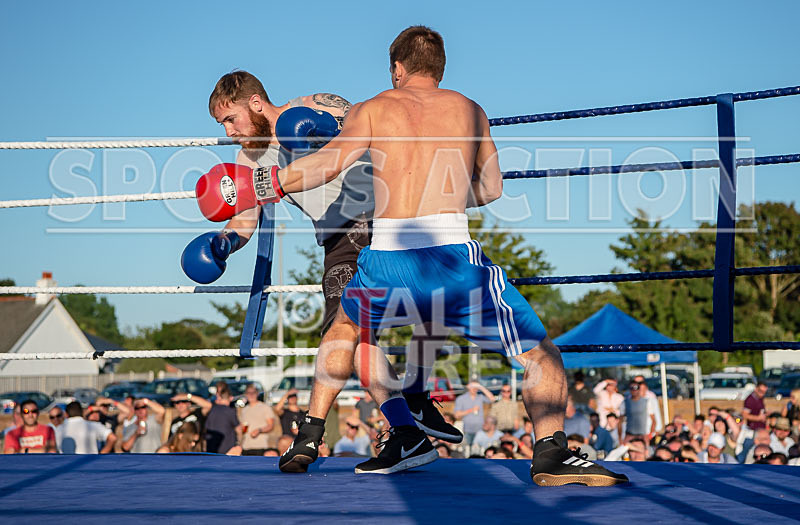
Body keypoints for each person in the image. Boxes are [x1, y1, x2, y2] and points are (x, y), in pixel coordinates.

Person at [233, 25, 626, 485]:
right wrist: (446, 196)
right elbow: (492, 188)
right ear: (439, 69)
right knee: (541, 355)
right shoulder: (470, 110)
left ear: (397, 69)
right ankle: (551, 453)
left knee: (344, 331)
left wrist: (264, 183)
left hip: (386, 254)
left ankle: (310, 433)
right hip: (452, 255)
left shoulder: (374, 107)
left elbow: (327, 164)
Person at [194, 70, 460, 457]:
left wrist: (327, 126)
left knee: (439, 300)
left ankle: (416, 397)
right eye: (222, 124)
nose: (229, 131)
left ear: (255, 103)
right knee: (353, 333)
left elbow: (370, 128)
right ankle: (405, 428)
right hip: (341, 238)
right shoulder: (247, 158)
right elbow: (245, 220)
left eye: (231, 119)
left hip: (392, 213)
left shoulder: (315, 103)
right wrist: (223, 243)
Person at [239, 383, 277, 456]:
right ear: (246, 394)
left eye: (253, 392)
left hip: (261, 447)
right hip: (246, 447)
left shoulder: (265, 407)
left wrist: (259, 430)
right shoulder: (244, 410)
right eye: (249, 393)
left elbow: (271, 425)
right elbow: (243, 428)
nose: (251, 395)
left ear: (257, 394)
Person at [204, 382, 241, 454]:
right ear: (231, 398)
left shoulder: (211, 409)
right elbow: (238, 430)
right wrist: (239, 444)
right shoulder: (230, 411)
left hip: (211, 449)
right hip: (227, 450)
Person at [454, 382, 495, 447]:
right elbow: (457, 415)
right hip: (467, 430)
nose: (475, 388)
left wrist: (481, 387)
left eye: (476, 387)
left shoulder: (480, 397)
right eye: (473, 386)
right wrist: (471, 410)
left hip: (480, 430)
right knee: (468, 449)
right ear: (468, 387)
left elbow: (492, 399)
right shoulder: (461, 398)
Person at [621, 379, 656, 445]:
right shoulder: (625, 402)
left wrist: (650, 435)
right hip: (629, 434)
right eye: (632, 388)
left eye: (636, 388)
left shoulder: (647, 402)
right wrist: (620, 438)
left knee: (645, 450)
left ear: (639, 389)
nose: (634, 390)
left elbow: (653, 420)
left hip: (643, 435)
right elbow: (620, 420)